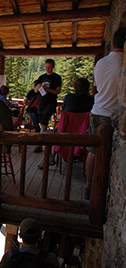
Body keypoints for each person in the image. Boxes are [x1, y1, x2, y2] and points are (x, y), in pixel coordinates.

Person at [85, 27, 126, 199]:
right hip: (111, 114)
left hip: (96, 110)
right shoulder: (122, 64)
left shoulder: (101, 63)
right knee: (108, 154)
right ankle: (101, 191)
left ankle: (89, 186)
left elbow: (95, 89)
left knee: (92, 152)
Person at [34, 59, 62, 153]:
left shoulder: (57, 77)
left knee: (44, 121)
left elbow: (58, 91)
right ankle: (42, 141)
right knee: (42, 122)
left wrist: (49, 90)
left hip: (51, 102)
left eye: (49, 67)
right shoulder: (41, 77)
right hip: (41, 102)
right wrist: (38, 87)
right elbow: (35, 91)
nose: (48, 69)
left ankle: (40, 143)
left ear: (53, 67)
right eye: (46, 67)